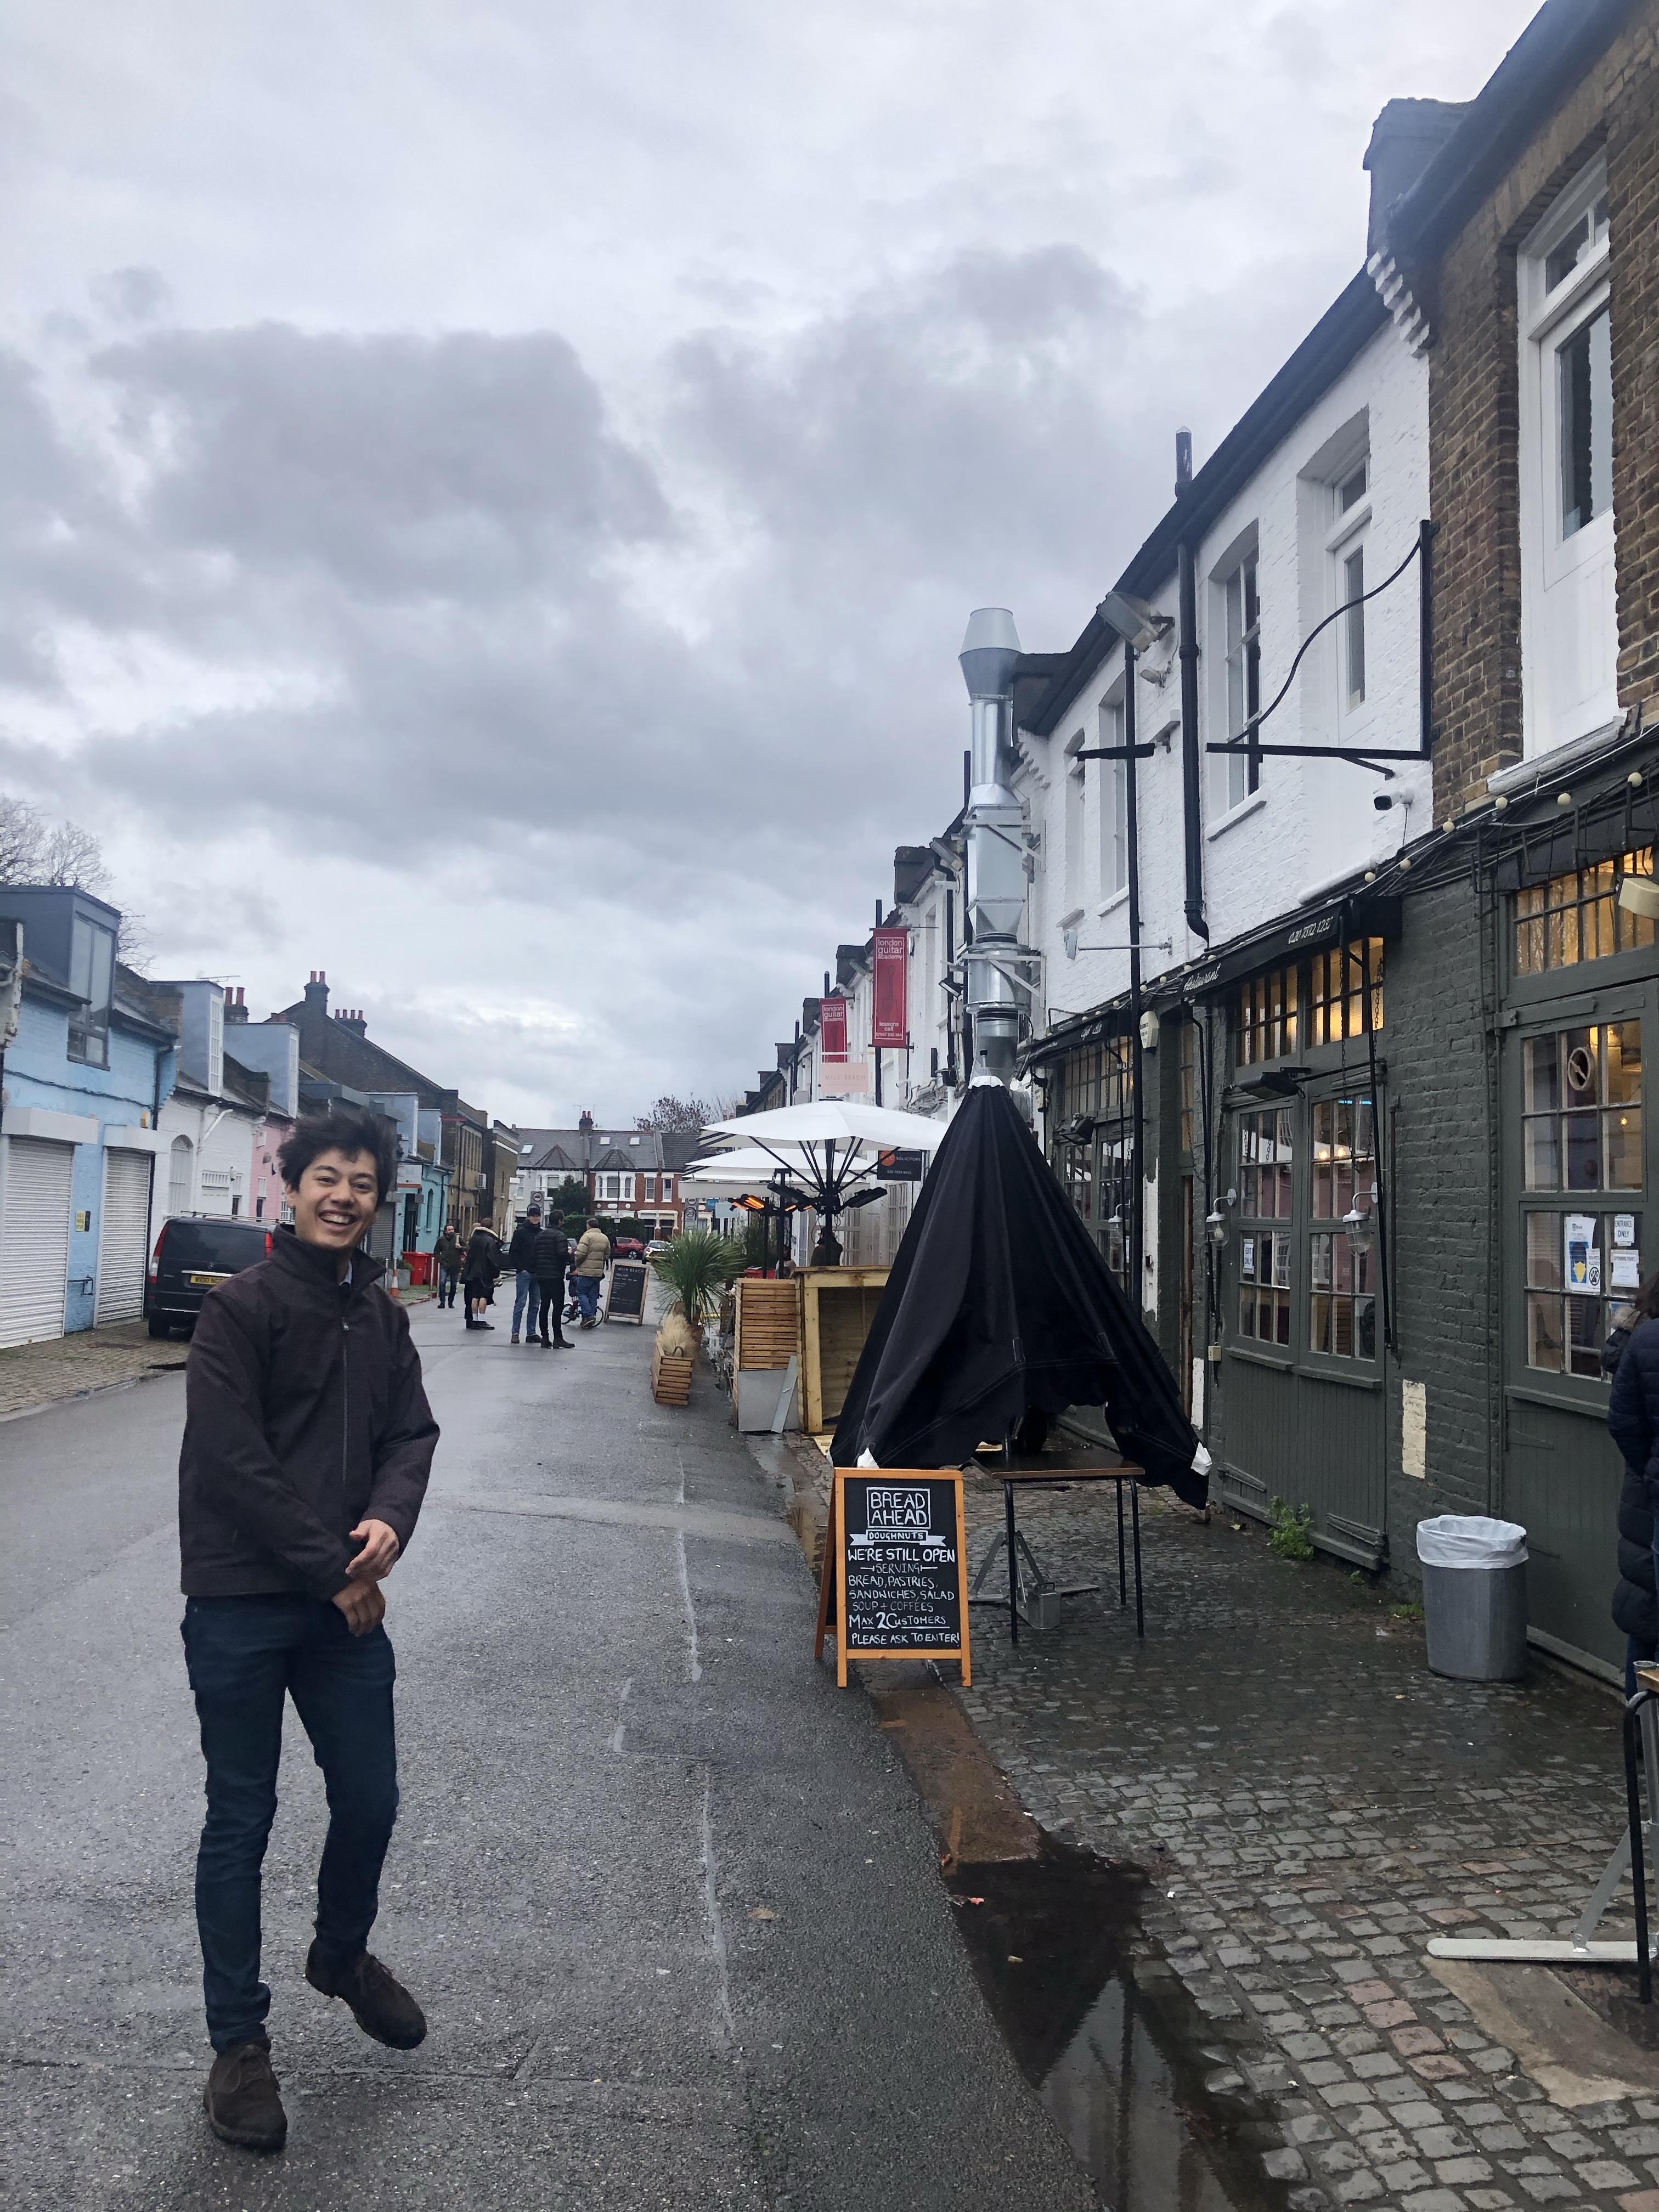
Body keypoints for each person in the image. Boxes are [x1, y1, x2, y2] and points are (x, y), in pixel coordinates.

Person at [178, 1104, 438, 2155]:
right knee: (240, 1817)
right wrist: (337, 1572)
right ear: (291, 1188)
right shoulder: (236, 1309)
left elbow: (411, 1433)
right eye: (326, 1177)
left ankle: (339, 1954)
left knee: (370, 1798)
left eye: (362, 1183)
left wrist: (390, 1516)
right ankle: (238, 2046)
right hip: (244, 1599)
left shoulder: (380, 1316)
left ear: (377, 1201)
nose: (343, 1196)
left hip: (343, 1603)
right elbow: (231, 1459)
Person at [1609, 1272, 1659, 1696]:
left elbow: (1624, 1422)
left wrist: (1648, 1469)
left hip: (1643, 1498)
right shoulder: (1644, 1341)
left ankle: (1639, 1720)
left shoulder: (1639, 1337)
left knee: (1643, 1614)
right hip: (1648, 1500)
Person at [503, 1199, 544, 1344]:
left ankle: (531, 1333)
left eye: (537, 1216)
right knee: (520, 1303)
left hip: (537, 1273)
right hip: (524, 1273)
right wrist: (521, 1268)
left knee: (535, 1305)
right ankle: (515, 1333)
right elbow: (513, 1252)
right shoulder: (520, 1232)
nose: (535, 1218)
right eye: (533, 1216)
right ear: (528, 1217)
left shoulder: (541, 1233)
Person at [532, 1213, 572, 1347]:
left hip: (541, 1275)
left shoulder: (540, 1235)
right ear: (560, 1221)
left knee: (544, 1306)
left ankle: (545, 1337)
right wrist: (569, 1255)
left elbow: (534, 1254)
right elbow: (561, 1255)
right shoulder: (560, 1236)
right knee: (557, 1307)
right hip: (555, 1276)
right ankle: (558, 1338)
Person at [570, 1217, 611, 1328]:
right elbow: (607, 1255)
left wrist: (577, 1264)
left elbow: (580, 1254)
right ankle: (591, 1318)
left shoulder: (587, 1236)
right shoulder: (605, 1238)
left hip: (586, 1272)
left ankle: (589, 1316)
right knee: (593, 1296)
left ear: (589, 1226)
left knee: (581, 1293)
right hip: (598, 1273)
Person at [462, 1221, 503, 1329]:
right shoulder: (489, 1240)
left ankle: (474, 1319)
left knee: (475, 1296)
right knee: (484, 1297)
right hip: (485, 1272)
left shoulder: (474, 1239)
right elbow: (492, 1258)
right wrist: (496, 1273)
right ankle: (481, 1320)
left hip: (473, 1272)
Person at [433, 1223, 461, 1311]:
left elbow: (467, 1248)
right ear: (445, 1231)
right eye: (449, 1230)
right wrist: (441, 1260)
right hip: (445, 1264)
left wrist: (460, 1247)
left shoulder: (458, 1239)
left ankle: (451, 1302)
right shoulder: (441, 1240)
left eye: (452, 1229)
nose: (451, 1231)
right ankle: (442, 1302)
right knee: (442, 1282)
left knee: (454, 1284)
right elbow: (436, 1253)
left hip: (455, 1264)